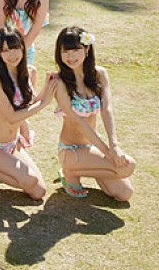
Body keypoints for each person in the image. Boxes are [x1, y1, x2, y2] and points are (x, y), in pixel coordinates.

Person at [0, 27, 57, 200]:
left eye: (15, 48)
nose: (12, 54)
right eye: (6, 50)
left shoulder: (30, 72)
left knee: (38, 192)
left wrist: (47, 86)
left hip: (11, 145)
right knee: (30, 181)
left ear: (23, 48)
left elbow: (28, 105)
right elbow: (12, 117)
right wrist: (45, 103)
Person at [53, 27, 135, 201]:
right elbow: (78, 122)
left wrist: (114, 146)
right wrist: (107, 152)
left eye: (75, 50)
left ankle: (88, 167)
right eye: (65, 52)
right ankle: (70, 171)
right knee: (129, 166)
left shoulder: (99, 74)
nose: (70, 56)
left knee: (124, 193)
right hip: (71, 150)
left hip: (92, 146)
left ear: (87, 48)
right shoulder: (60, 82)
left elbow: (107, 110)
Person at [0, 0, 50, 148]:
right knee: (2, 87)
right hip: (2, 47)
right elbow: (1, 26)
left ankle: (21, 127)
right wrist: (7, 52)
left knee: (21, 88)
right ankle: (10, 128)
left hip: (26, 49)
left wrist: (19, 53)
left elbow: (35, 30)